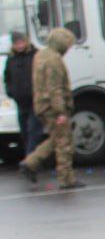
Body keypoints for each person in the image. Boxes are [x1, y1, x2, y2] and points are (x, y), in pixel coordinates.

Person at [18, 27, 81, 190]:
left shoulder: (40, 55)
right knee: (64, 143)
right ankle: (66, 179)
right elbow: (55, 88)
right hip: (53, 108)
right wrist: (61, 111)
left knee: (56, 139)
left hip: (42, 105)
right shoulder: (54, 60)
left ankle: (30, 163)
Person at [4, 31, 41, 158]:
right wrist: (11, 92)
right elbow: (7, 77)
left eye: (21, 43)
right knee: (24, 132)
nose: (19, 46)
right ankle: (33, 158)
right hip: (20, 101)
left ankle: (30, 160)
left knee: (33, 130)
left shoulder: (35, 55)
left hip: (34, 100)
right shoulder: (11, 59)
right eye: (16, 44)